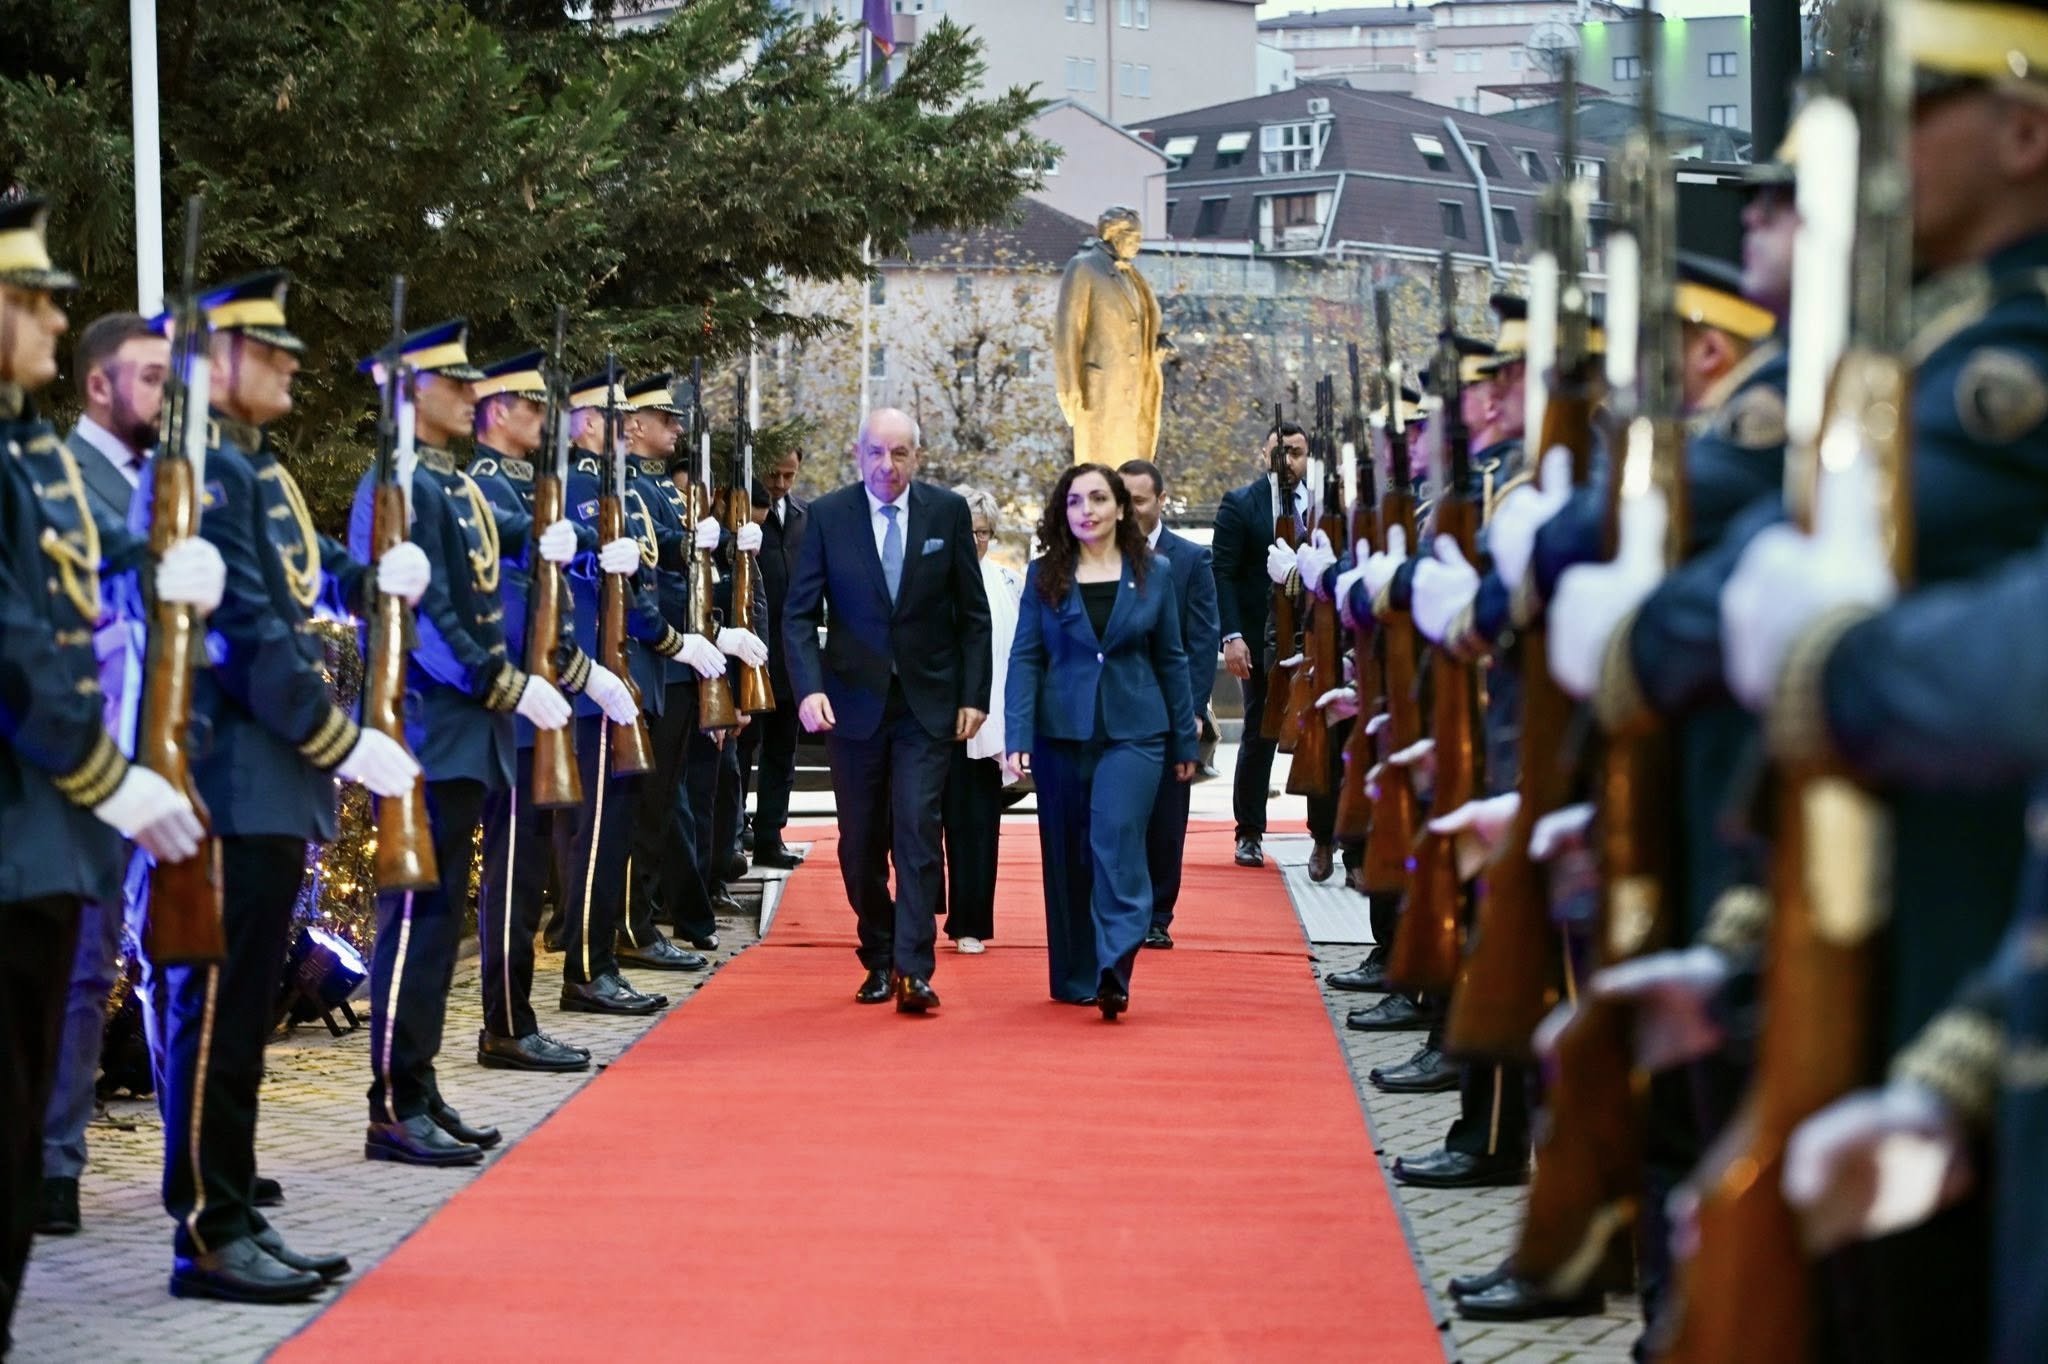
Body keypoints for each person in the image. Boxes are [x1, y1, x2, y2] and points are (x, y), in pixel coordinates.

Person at [150, 270, 423, 1303]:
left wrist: (371, 580)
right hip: (235, 772)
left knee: (241, 1007)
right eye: (268, 352)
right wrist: (338, 737)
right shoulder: (209, 473)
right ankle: (209, 1229)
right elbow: (250, 637)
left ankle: (231, 1203)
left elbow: (299, 583)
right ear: (214, 362)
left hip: (272, 780)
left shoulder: (257, 472)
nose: (292, 366)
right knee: (215, 1010)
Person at [0, 197, 215, 1342]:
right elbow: (27, 640)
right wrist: (111, 766)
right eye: (30, 299)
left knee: (101, 973)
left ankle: (99, 1165)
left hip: (117, 765)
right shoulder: (36, 465)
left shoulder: (64, 461)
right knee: (71, 981)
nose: (46, 318)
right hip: (63, 780)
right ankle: (56, 1166)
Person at [348, 320, 598, 1167]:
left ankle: (417, 1086)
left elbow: (484, 571)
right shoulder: (398, 481)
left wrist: (549, 541)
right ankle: (391, 1100)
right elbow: (422, 621)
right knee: (415, 924)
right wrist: (504, 683)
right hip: (432, 726)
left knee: (439, 918)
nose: (470, 393)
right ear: (408, 391)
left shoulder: (446, 482)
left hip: (469, 734)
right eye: (452, 383)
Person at [782, 407, 991, 1014]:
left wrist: (974, 695)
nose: (887, 465)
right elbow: (799, 614)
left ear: (916, 458)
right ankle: (876, 952)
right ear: (858, 454)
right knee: (859, 842)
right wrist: (809, 687)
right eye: (876, 452)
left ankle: (912, 969)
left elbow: (972, 615)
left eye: (900, 453)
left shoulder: (947, 513)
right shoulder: (828, 517)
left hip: (927, 706)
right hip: (852, 705)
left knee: (918, 830)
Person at [38, 311, 169, 1237]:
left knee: (177, 955)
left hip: (164, 753)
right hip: (85, 763)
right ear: (98, 386)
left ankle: (197, 1159)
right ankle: (53, 1167)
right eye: (151, 378)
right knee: (82, 971)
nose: (168, 394)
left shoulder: (167, 483)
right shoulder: (55, 477)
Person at [466, 349, 619, 1074]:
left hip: (538, 697)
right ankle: (505, 1022)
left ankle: (512, 1018)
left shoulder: (529, 486)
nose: (540, 419)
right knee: (512, 878)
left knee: (525, 876)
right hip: (507, 704)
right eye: (529, 406)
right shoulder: (479, 486)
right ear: (496, 411)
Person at [1007, 464, 1198, 1020]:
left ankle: (1115, 963)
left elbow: (1172, 658)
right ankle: (1075, 976)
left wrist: (1185, 740)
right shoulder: (1045, 573)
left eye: (1097, 498)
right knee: (1067, 855)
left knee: (1115, 841)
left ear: (1120, 506)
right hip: (1059, 733)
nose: (1085, 510)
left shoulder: (1154, 573)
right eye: (1074, 501)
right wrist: (1017, 733)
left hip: (1135, 733)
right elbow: (1025, 656)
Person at [1118, 458, 1219, 950]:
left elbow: (1203, 641)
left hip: (1168, 709)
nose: (1130, 510)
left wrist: (1194, 710)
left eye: (1139, 500)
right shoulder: (1097, 557)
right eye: (1124, 500)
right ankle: (1120, 907)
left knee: (1163, 815)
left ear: (1161, 501)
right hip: (1113, 709)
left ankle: (1158, 912)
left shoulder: (1190, 560)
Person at [1210, 422, 1310, 868]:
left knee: (1321, 731)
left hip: (1315, 634)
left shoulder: (1326, 502)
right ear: (1263, 455)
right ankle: (1249, 830)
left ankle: (1326, 836)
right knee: (1260, 730)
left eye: (1296, 452)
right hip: (1258, 636)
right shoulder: (1241, 503)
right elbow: (1223, 574)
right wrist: (1231, 636)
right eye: (1279, 452)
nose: (1287, 462)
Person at [937, 486, 1021, 955]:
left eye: (984, 533)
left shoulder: (1008, 582)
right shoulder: (930, 578)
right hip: (933, 721)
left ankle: (970, 922)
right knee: (923, 825)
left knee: (977, 827)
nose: (976, 541)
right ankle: (919, 913)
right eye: (968, 532)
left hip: (987, 725)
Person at [743, 446, 809, 869]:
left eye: (789, 476)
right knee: (742, 752)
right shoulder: (744, 514)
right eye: (774, 474)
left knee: (782, 752)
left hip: (791, 660)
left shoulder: (806, 519)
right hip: (750, 655)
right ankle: (732, 839)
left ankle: (771, 835)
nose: (781, 484)